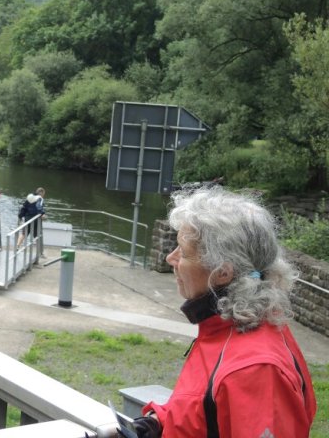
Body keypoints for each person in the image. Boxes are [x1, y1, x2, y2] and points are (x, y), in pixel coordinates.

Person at [129, 187, 316, 438]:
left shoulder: (257, 370)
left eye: (183, 252)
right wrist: (158, 422)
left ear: (223, 273)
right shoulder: (227, 327)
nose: (170, 259)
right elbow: (206, 406)